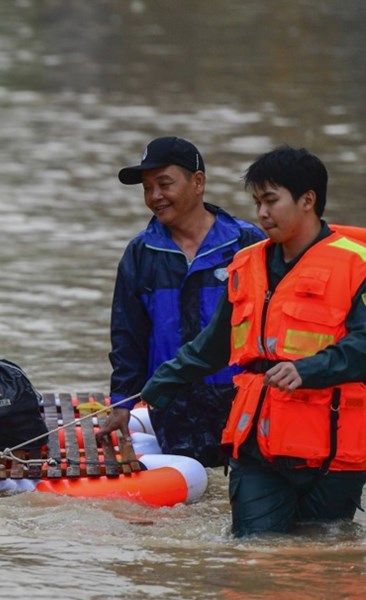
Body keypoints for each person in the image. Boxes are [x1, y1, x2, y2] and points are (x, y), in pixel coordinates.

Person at [142, 146, 366, 536]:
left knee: (320, 555)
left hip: (332, 454)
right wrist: (154, 388)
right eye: (257, 202)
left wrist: (308, 369)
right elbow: (213, 346)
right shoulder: (247, 264)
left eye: (271, 201)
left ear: (307, 200)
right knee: (254, 550)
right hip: (257, 446)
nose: (261, 213)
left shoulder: (357, 264)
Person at [96, 137, 264, 466]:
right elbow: (128, 336)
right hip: (172, 408)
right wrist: (122, 402)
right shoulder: (141, 253)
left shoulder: (246, 243)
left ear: (198, 182)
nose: (154, 196)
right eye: (147, 188)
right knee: (191, 490)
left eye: (164, 184)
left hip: (239, 401)